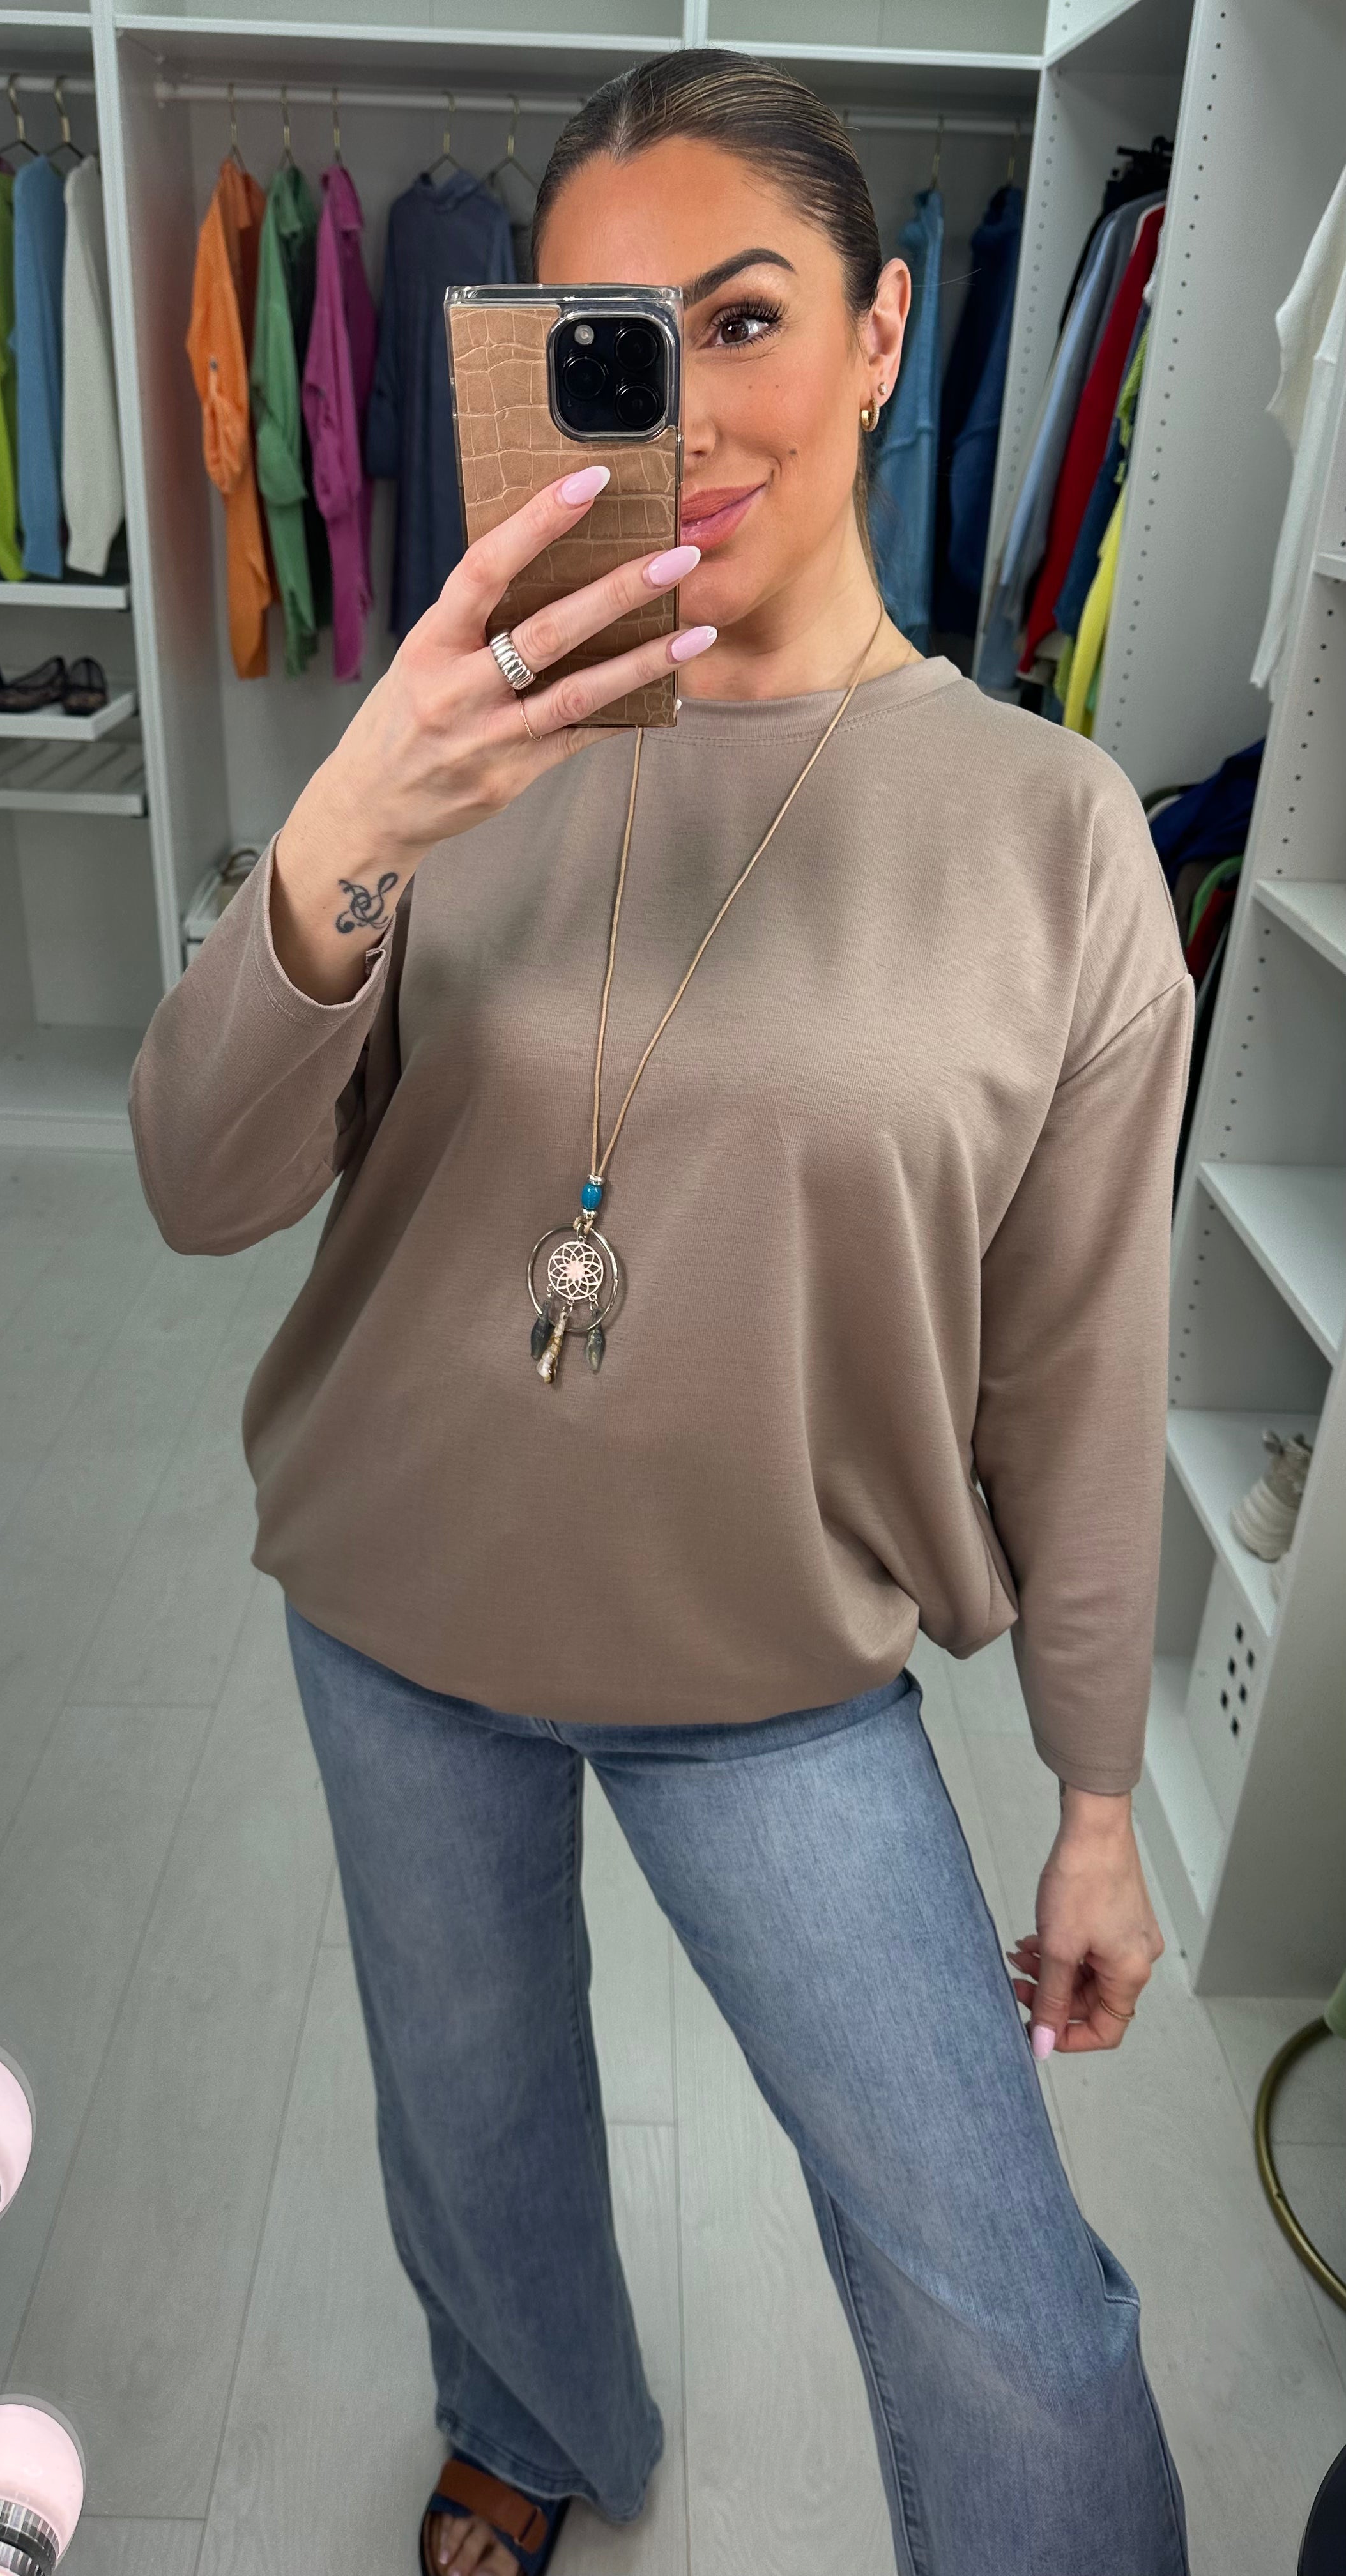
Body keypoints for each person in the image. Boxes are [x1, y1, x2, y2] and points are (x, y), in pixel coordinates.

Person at [129, 49, 1195, 2576]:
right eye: (612, 344)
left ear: (882, 333)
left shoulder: (1050, 841)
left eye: (745, 318)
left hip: (773, 1668)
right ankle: (523, 2413)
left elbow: (1078, 1362)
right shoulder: (452, 737)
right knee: (468, 2099)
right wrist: (347, 829)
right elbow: (197, 1182)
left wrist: (1093, 1800)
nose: (688, 410)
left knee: (1008, 2308)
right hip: (395, 1608)